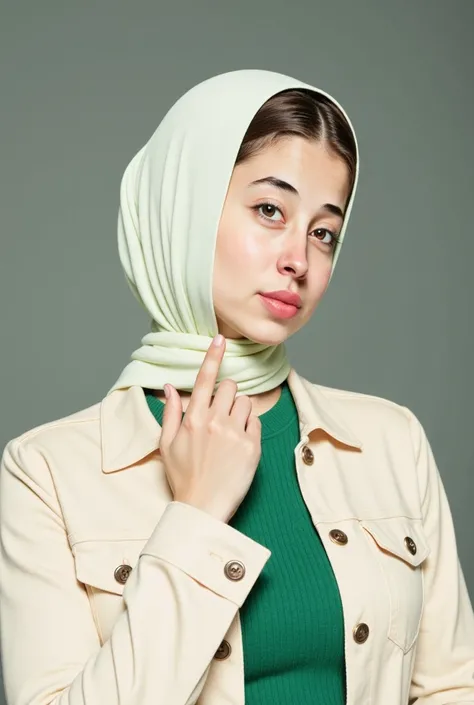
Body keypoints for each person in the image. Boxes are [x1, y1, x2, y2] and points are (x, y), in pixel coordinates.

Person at [0, 69, 473, 705]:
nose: (298, 260)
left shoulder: (392, 441)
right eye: (270, 210)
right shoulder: (46, 474)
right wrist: (194, 516)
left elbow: (451, 686)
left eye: (324, 231)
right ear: (183, 212)